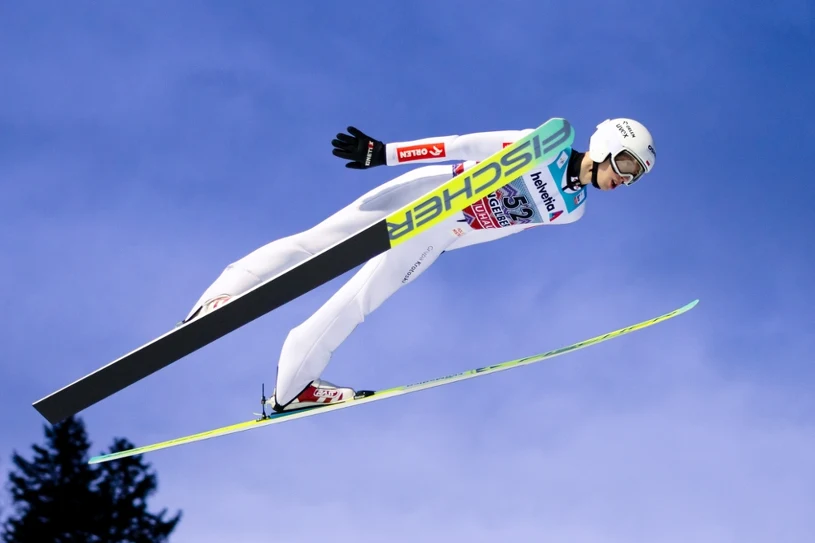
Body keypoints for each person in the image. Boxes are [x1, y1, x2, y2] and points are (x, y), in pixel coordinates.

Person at [182, 118, 657, 412]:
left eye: (635, 178)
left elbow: (501, 228)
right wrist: (385, 154)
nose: (625, 180)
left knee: (357, 302)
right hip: (428, 192)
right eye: (627, 166)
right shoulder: (550, 141)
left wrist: (444, 243)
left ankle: (292, 388)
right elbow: (465, 145)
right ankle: (220, 298)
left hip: (439, 234)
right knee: (317, 244)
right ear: (607, 146)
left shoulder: (571, 211)